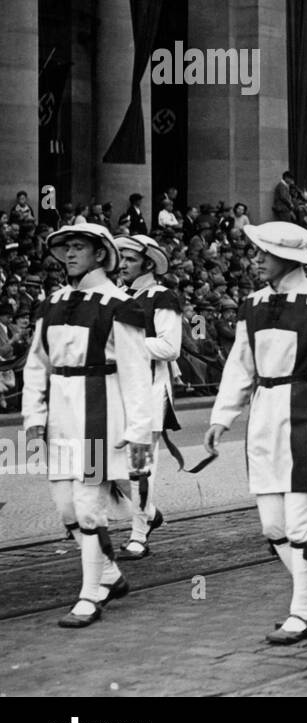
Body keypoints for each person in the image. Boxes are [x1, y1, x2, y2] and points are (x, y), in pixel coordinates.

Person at [203, 222, 307, 644]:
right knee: (272, 528)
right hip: (264, 415)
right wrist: (220, 417)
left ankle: (301, 609)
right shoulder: (252, 303)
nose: (256, 259)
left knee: (301, 524)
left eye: (264, 252)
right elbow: (240, 366)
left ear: (289, 257)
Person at [22, 223, 154, 627]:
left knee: (89, 508)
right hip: (61, 416)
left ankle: (89, 595)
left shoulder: (118, 304)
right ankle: (110, 574)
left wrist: (138, 435)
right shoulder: (53, 301)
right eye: (67, 248)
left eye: (79, 247)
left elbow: (136, 374)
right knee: (66, 508)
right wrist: (33, 416)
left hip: (99, 415)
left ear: (100, 254)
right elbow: (36, 364)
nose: (71, 254)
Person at [114, 235, 183, 559]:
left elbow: (170, 347)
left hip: (151, 390)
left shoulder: (162, 297)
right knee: (103, 466)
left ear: (148, 263)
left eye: (129, 259)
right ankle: (150, 512)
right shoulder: (115, 296)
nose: (122, 264)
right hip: (116, 391)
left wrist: (121, 347)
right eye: (121, 258)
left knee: (140, 466)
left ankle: (139, 534)